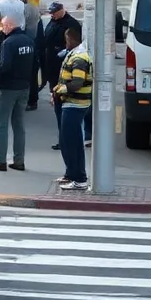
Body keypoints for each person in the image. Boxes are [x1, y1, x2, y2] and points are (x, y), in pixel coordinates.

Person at [0, 15, 34, 171]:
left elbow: (5, 66)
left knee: (0, 124)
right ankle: (19, 160)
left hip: (7, 88)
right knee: (19, 125)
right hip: (24, 87)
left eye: (3, 25)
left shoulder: (8, 43)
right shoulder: (28, 41)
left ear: (9, 25)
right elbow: (35, 63)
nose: (2, 28)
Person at [44, 1, 90, 150]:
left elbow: (76, 82)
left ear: (62, 10)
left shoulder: (71, 24)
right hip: (53, 68)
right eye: (51, 12)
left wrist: (60, 90)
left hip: (66, 73)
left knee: (67, 114)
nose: (52, 15)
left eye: (54, 12)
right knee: (59, 109)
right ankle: (63, 139)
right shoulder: (53, 21)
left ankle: (72, 139)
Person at [54, 25, 92, 191]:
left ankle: (80, 179)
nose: (65, 42)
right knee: (67, 140)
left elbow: (77, 82)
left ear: (71, 39)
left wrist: (61, 90)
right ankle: (71, 173)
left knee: (73, 142)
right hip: (70, 103)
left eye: (66, 39)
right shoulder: (75, 55)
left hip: (75, 104)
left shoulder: (79, 58)